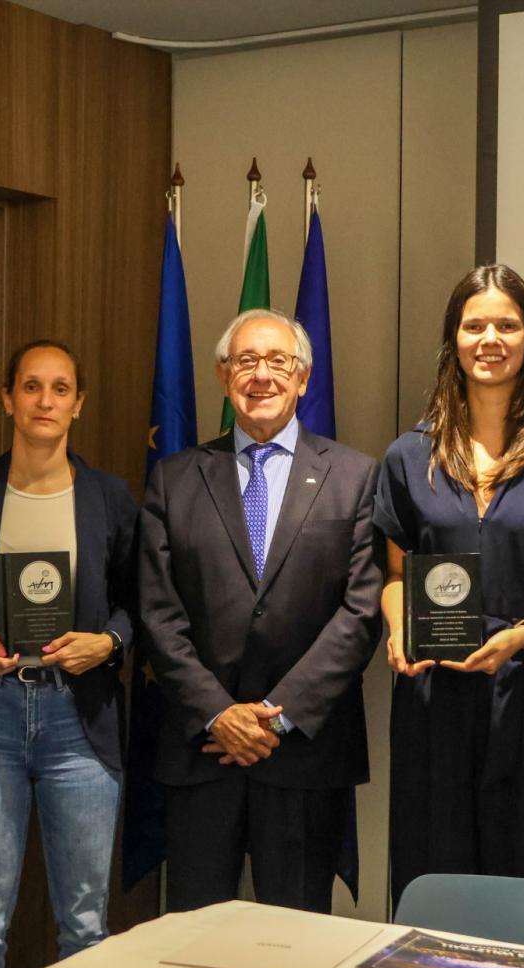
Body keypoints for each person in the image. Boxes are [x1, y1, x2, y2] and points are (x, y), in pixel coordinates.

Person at [375, 265, 524, 906]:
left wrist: (523, 636)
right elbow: (397, 575)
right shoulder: (408, 456)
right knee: (436, 882)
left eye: (507, 325)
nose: (491, 338)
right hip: (434, 698)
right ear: (453, 340)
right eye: (474, 324)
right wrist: (399, 627)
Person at [138, 308, 381, 914]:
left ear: (303, 380)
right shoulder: (173, 479)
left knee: (296, 943)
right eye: (247, 361)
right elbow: (156, 613)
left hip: (302, 754)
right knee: (195, 945)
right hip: (205, 751)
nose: (262, 375)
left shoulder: (355, 477)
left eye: (279, 362)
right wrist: (218, 713)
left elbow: (360, 614)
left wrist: (277, 718)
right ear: (224, 377)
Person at [0, 340, 137, 968]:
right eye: (30, 387)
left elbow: (144, 602)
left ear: (79, 404)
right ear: (7, 399)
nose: (44, 401)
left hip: (80, 724)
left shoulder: (109, 497)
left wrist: (107, 643)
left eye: (60, 388)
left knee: (84, 925)